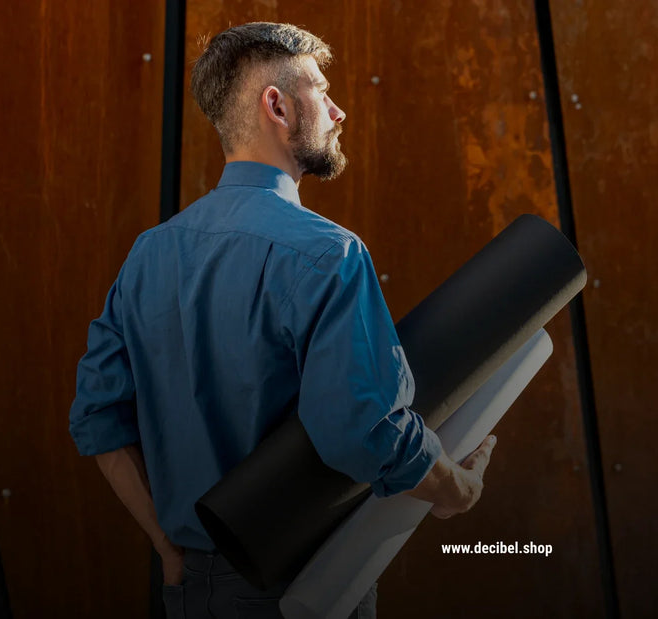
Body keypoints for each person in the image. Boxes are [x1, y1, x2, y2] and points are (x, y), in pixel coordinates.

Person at [68, 22, 497, 619]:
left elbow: (96, 416)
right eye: (322, 91)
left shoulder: (148, 254)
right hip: (306, 584)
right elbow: (361, 430)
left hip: (189, 587)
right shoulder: (330, 254)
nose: (339, 111)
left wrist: (168, 548)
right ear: (277, 105)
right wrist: (453, 488)